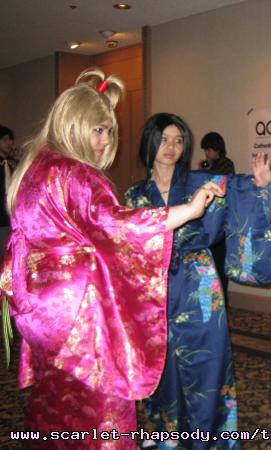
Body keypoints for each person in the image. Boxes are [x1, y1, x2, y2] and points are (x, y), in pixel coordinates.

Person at [0, 68, 222, 450]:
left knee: (57, 403)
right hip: (81, 315)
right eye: (99, 130)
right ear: (74, 125)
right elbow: (115, 225)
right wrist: (188, 210)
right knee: (100, 408)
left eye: (109, 132)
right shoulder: (76, 173)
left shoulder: (35, 168)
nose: (105, 141)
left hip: (42, 308)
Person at [125, 113, 271, 450]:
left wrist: (260, 185)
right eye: (164, 139)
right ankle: (165, 437)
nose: (171, 147)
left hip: (198, 285)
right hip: (153, 289)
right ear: (149, 142)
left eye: (178, 140)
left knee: (207, 363)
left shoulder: (201, 182)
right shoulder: (134, 195)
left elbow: (240, 191)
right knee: (161, 365)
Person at [199, 131, 236, 308]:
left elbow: (220, 185)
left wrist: (204, 173)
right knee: (209, 267)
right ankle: (213, 303)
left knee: (220, 266)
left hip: (220, 223)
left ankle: (223, 305)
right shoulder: (211, 166)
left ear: (216, 149)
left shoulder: (226, 164)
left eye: (208, 149)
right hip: (208, 222)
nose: (206, 154)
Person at [0, 125, 17, 256]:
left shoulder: (13, 163)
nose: (8, 143)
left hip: (11, 215)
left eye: (10, 140)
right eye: (4, 140)